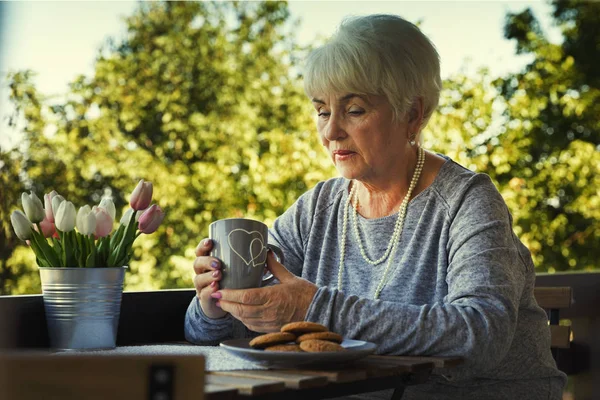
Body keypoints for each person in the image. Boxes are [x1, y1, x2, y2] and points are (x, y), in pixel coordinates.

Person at [185, 14, 566, 400]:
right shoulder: (316, 209)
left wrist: (315, 307)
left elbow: (480, 333)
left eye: (354, 110)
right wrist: (214, 304)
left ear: (412, 114)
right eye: (322, 111)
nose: (330, 132)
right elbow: (232, 330)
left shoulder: (467, 201)